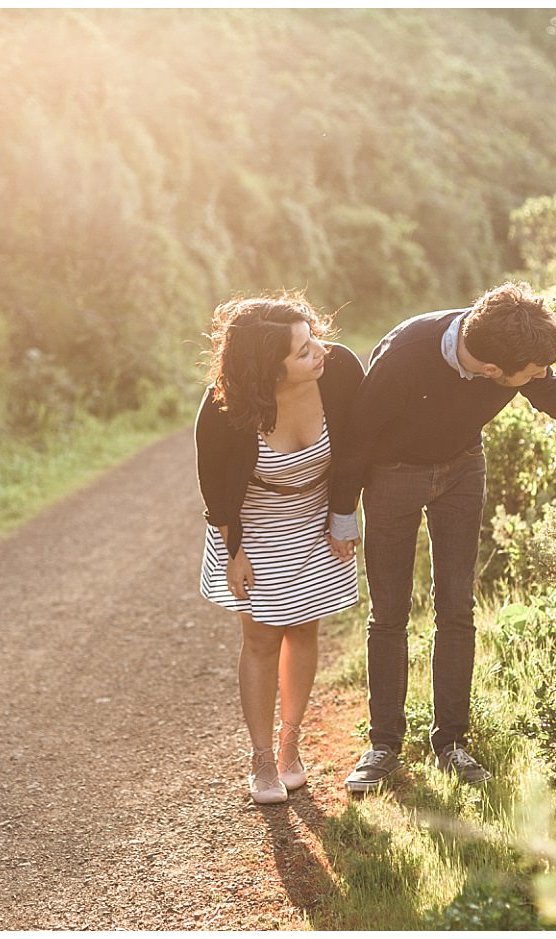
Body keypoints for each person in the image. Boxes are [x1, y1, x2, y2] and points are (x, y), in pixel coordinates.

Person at [325, 282, 556, 793]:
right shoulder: (406, 354)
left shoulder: (508, 348)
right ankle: (384, 745)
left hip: (461, 471)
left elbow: (550, 389)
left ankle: (450, 743)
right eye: (528, 373)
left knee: (457, 605)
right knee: (389, 612)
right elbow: (358, 438)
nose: (537, 377)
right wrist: (343, 514)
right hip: (392, 476)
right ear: (493, 371)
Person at [195, 293, 365, 804]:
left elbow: (357, 450)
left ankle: (291, 745)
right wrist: (234, 552)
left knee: (304, 626)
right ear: (267, 368)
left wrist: (342, 515)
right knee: (262, 637)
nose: (319, 352)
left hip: (315, 514)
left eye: (313, 337)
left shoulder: (339, 372)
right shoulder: (225, 407)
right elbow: (217, 490)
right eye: (302, 350)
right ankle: (262, 758)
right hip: (253, 523)